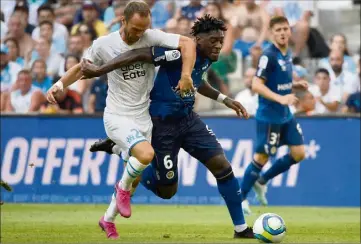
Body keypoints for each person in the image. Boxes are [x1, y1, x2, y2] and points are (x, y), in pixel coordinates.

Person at [83, 15, 254, 240]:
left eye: (221, 40)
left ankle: (241, 229)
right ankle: (123, 151)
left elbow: (198, 80)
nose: (218, 45)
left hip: (188, 120)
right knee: (167, 191)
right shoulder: (177, 52)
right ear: (197, 39)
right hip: (162, 126)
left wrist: (225, 99)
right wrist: (101, 69)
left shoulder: (205, 58)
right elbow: (140, 54)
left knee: (222, 166)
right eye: (213, 40)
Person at [45, 0, 196, 239]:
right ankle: (120, 186)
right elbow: (81, 68)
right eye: (135, 29)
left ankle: (107, 219)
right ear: (123, 21)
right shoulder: (104, 44)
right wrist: (59, 84)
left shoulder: (151, 36)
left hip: (142, 117)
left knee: (135, 177)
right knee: (146, 156)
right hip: (117, 115)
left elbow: (188, 42)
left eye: (143, 29)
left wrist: (186, 75)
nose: (139, 34)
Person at [239, 16, 308, 214]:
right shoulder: (268, 55)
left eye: (285, 29)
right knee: (261, 157)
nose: (282, 33)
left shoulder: (286, 54)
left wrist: (294, 85)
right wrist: (281, 98)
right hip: (269, 116)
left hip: (285, 115)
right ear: (271, 33)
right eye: (278, 30)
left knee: (299, 153)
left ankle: (262, 180)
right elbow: (256, 84)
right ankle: (241, 198)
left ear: (290, 31)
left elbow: (276, 81)